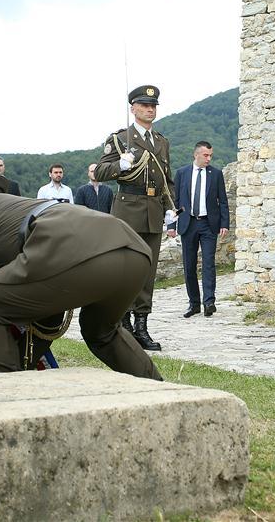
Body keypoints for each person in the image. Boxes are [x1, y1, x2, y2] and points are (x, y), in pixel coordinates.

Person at [0, 189, 161, 381]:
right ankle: (163, 393)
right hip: (134, 250)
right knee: (102, 333)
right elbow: (47, 315)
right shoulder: (13, 210)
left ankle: (13, 401)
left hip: (72, 250)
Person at [95, 84, 176, 351]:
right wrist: (121, 164)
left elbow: (166, 179)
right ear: (133, 109)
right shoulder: (120, 139)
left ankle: (142, 326)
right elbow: (101, 172)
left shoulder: (161, 141)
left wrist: (170, 208)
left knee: (147, 270)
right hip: (128, 208)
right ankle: (124, 323)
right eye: (144, 105)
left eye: (153, 106)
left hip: (153, 209)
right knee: (127, 267)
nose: (149, 109)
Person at [168, 141, 230, 318]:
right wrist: (172, 225)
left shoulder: (216, 174)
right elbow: (176, 203)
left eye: (211, 155)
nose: (209, 158)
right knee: (189, 265)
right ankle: (194, 303)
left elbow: (223, 201)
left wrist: (224, 224)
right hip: (188, 224)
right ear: (196, 155)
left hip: (209, 224)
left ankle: (209, 302)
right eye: (206, 155)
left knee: (209, 264)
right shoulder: (182, 173)